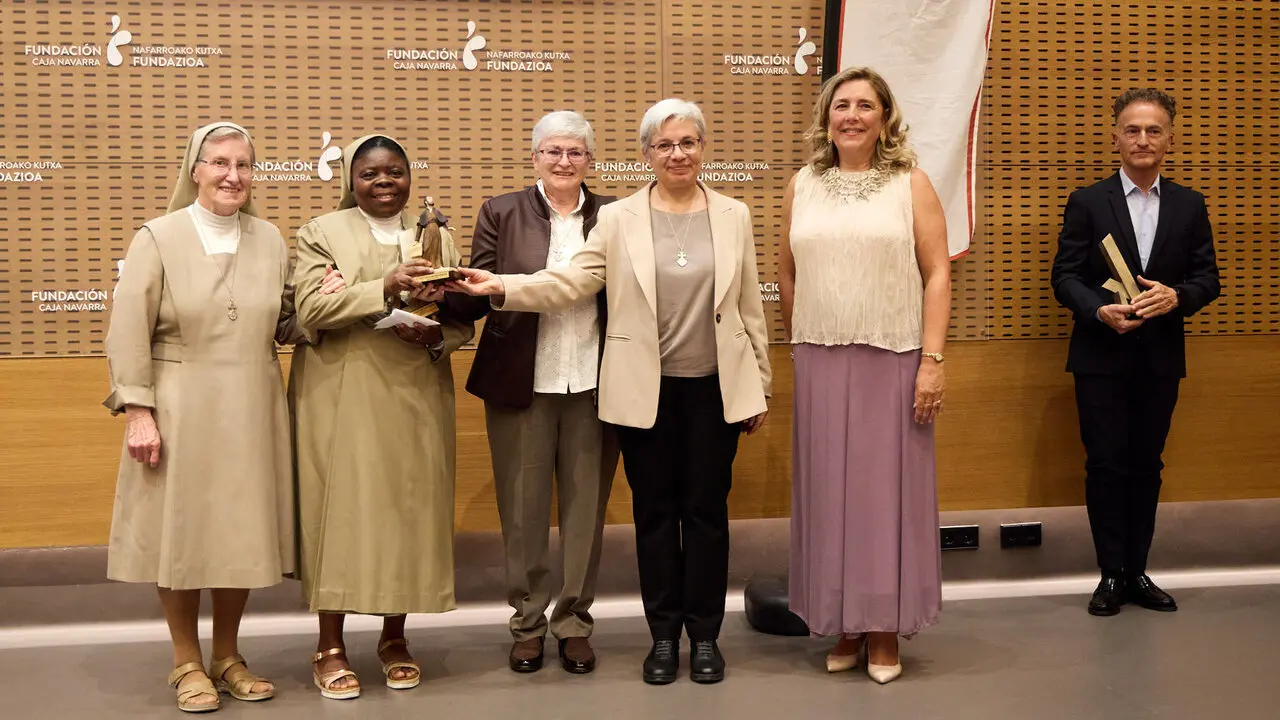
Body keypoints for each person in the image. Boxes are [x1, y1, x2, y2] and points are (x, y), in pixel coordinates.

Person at [448, 99, 771, 686]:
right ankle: (663, 639)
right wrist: (504, 285)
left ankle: (704, 637)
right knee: (653, 516)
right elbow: (572, 279)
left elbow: (749, 306)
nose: (678, 154)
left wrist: (761, 387)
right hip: (643, 393)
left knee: (706, 517)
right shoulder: (620, 218)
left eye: (688, 143)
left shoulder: (734, 215)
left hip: (717, 392)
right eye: (664, 145)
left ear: (703, 149)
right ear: (646, 153)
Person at [104, 121, 344, 712]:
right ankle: (186, 661)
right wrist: (139, 410)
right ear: (196, 170)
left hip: (253, 402)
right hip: (179, 401)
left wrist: (326, 298)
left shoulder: (268, 238)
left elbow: (285, 325)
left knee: (237, 531)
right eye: (219, 163)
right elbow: (127, 328)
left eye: (243, 164)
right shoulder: (157, 237)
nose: (232, 175)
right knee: (181, 534)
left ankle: (227, 655)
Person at [779, 66, 951, 685]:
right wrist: (805, 338)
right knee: (830, 495)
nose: (851, 115)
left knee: (882, 497)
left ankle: (882, 627)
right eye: (841, 105)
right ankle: (844, 622)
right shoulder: (803, 182)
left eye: (865, 106)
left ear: (884, 118)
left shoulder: (912, 183)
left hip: (894, 357)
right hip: (821, 359)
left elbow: (936, 273)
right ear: (827, 117)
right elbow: (789, 272)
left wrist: (931, 361)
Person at [289, 134, 475, 700]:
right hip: (341, 393)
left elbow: (462, 312)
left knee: (405, 512)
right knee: (338, 513)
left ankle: (395, 639)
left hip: (416, 391)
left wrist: (439, 334)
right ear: (351, 179)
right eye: (370, 174)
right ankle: (330, 646)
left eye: (394, 172)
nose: (384, 182)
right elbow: (311, 308)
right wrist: (384, 287)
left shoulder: (433, 234)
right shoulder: (321, 233)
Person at [448, 111, 619, 674]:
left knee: (584, 511)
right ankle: (527, 623)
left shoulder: (615, 216)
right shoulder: (500, 211)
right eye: (553, 151)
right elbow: (478, 291)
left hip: (596, 385)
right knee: (521, 514)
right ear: (535, 158)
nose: (564, 161)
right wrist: (439, 291)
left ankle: (573, 623)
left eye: (575, 152)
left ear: (590, 160)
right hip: (521, 382)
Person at [1050, 88, 1220, 617]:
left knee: (1148, 466)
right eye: (1132, 130)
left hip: (1160, 359)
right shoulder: (1087, 201)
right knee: (1105, 466)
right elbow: (1065, 277)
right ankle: (1108, 575)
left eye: (1153, 130)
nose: (1142, 139)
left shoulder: (1190, 204)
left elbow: (1207, 279)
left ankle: (1137, 572)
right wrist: (1097, 311)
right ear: (1116, 137)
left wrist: (1179, 296)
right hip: (1100, 358)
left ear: (1169, 138)